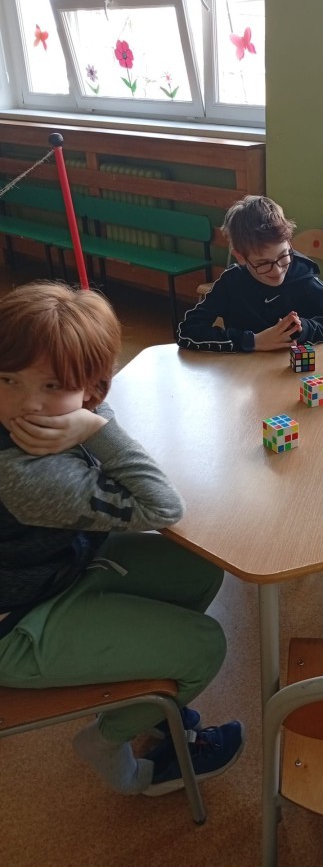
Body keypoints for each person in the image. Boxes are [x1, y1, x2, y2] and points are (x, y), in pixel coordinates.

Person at [0, 281, 244, 796]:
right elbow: (162, 506)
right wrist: (94, 427)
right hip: (18, 627)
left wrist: (90, 415)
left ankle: (149, 693)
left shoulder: (45, 428)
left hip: (55, 574)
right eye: (8, 379)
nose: (26, 404)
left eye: (51, 385)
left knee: (199, 566)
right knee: (204, 647)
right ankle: (107, 741)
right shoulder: (27, 476)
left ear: (93, 390)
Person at [177, 195, 323, 352]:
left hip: (291, 374)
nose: (277, 270)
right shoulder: (231, 283)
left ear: (289, 243)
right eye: (263, 263)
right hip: (243, 374)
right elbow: (187, 331)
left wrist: (305, 329)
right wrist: (253, 341)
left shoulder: (301, 275)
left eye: (283, 256)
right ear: (240, 257)